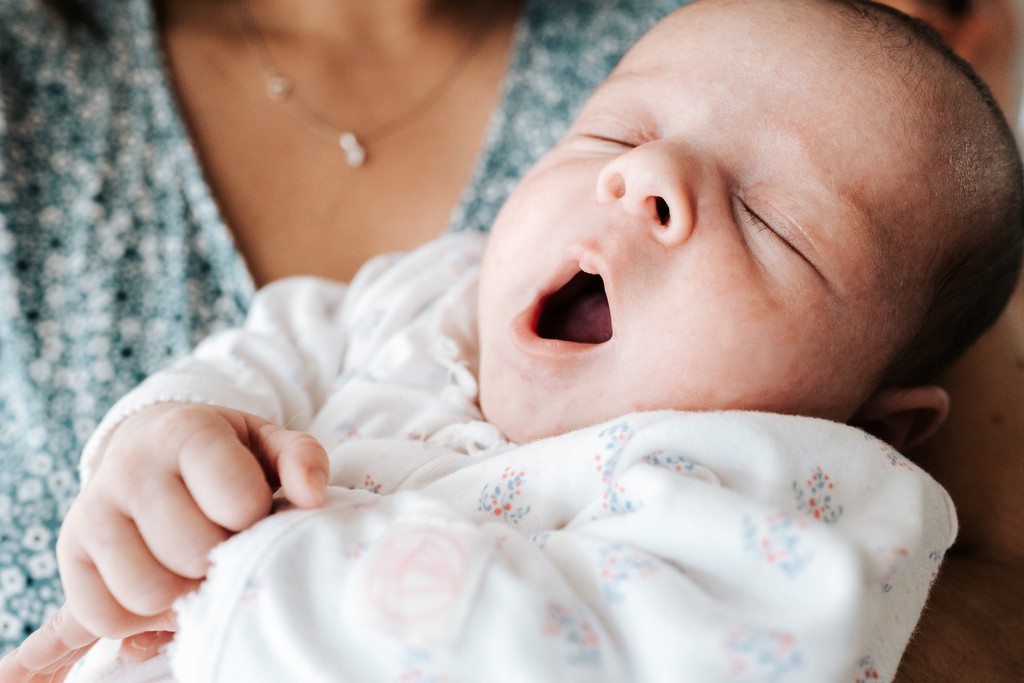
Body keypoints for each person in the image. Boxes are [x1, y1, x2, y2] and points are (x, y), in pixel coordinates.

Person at [0, 0, 1021, 679]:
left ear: (881, 421)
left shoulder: (787, 511)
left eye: (775, 224)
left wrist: (238, 567)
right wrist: (164, 440)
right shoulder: (430, 293)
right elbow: (272, 347)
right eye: (613, 135)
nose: (643, 178)